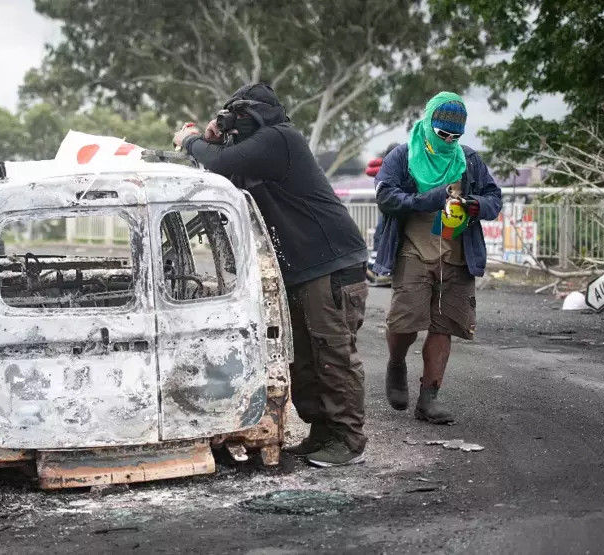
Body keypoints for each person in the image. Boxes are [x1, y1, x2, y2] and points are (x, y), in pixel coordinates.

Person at [173, 83, 370, 466]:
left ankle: (348, 439)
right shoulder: (257, 150)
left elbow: (221, 163)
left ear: (255, 115)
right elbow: (223, 167)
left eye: (237, 117)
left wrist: (191, 139)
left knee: (332, 352)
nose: (232, 125)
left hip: (330, 263)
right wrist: (213, 136)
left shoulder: (279, 139)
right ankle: (323, 431)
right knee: (306, 358)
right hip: (303, 269)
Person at [373, 92, 502, 424]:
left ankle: (428, 400)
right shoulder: (401, 157)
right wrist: (426, 199)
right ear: (428, 121)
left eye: (455, 136)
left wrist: (474, 204)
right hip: (413, 251)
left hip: (456, 254)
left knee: (444, 326)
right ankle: (396, 364)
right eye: (442, 133)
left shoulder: (468, 160)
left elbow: (494, 199)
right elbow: (386, 197)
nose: (448, 141)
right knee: (405, 322)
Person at [365, 143, 399, 286]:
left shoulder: (385, 168)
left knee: (382, 236)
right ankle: (379, 270)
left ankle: (377, 270)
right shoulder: (391, 168)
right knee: (383, 236)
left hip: (388, 207)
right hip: (391, 208)